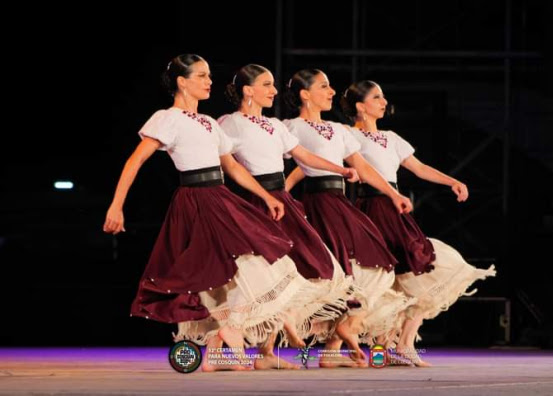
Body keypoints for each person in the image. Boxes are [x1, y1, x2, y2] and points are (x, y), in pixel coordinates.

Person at [103, 54, 312, 371]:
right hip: (196, 199)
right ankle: (227, 334)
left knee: (254, 267)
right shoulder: (167, 118)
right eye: (201, 76)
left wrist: (264, 196)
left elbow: (232, 167)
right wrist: (116, 205)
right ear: (182, 82)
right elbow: (135, 161)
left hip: (221, 196)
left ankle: (216, 350)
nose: (209, 81)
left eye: (209, 75)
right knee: (224, 270)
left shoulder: (210, 122)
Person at [341, 80, 496, 366]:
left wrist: (453, 181)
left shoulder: (391, 137)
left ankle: (403, 343)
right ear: (361, 106)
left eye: (383, 96)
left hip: (394, 208)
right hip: (370, 208)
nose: (384, 101)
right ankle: (385, 350)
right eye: (377, 97)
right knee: (388, 281)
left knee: (420, 272)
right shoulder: (348, 136)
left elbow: (419, 168)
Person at [219, 64, 360, 368]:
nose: (273, 91)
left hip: (280, 199)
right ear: (248, 90)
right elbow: (230, 165)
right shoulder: (231, 123)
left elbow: (304, 156)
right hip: (255, 201)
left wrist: (341, 169)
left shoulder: (276, 125)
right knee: (261, 273)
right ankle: (232, 339)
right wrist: (263, 196)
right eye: (267, 85)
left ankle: (268, 350)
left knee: (311, 267)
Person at [283, 69, 416, 366]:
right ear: (305, 94)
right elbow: (295, 163)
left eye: (331, 87)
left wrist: (394, 195)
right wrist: (278, 195)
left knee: (373, 266)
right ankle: (287, 331)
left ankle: (337, 342)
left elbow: (364, 168)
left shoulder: (339, 129)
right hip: (317, 203)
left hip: (339, 201)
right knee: (320, 270)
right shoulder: (291, 126)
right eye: (324, 86)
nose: (332, 92)